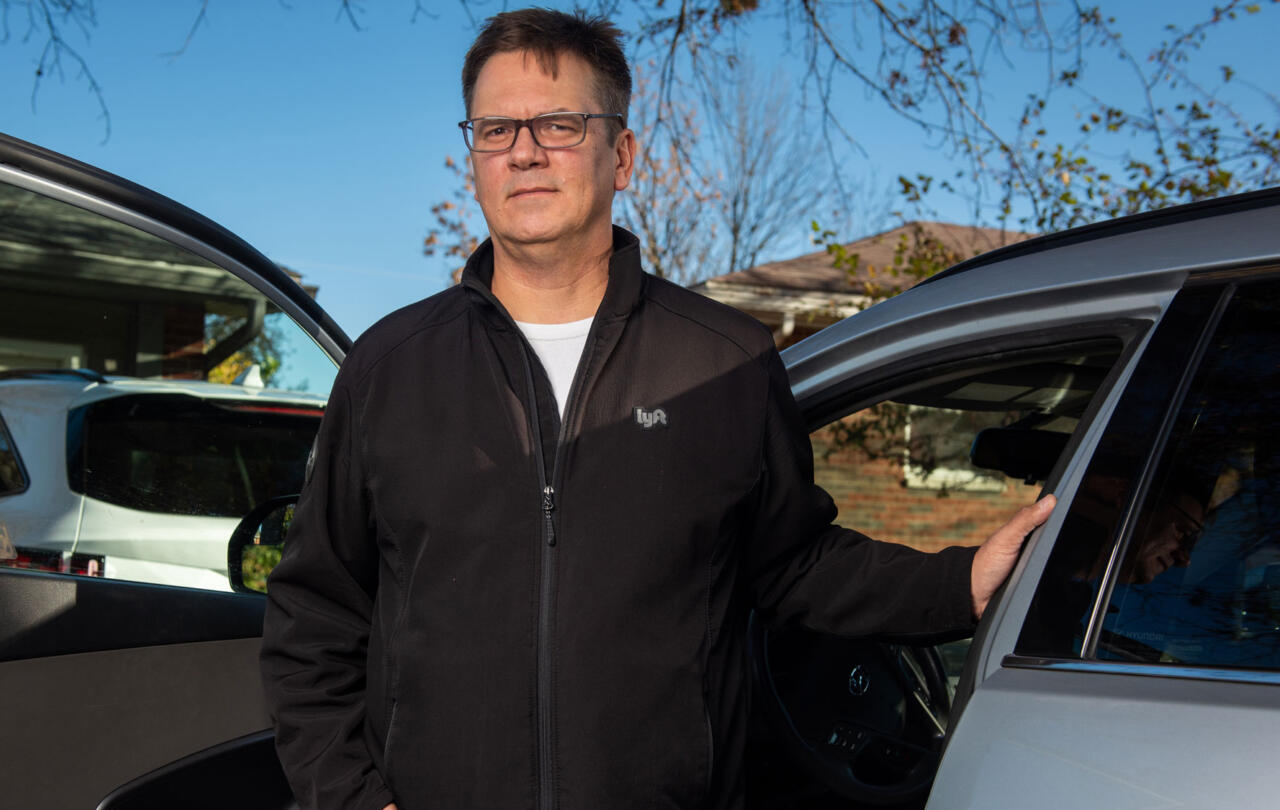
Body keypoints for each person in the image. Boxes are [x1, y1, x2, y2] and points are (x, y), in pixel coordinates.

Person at [260, 9, 1054, 810]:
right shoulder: (390, 367)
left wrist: (961, 584)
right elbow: (315, 616)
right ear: (473, 158)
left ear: (623, 154)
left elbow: (794, 564)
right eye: (496, 129)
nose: (525, 151)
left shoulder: (724, 360)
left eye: (559, 124)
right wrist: (353, 800)